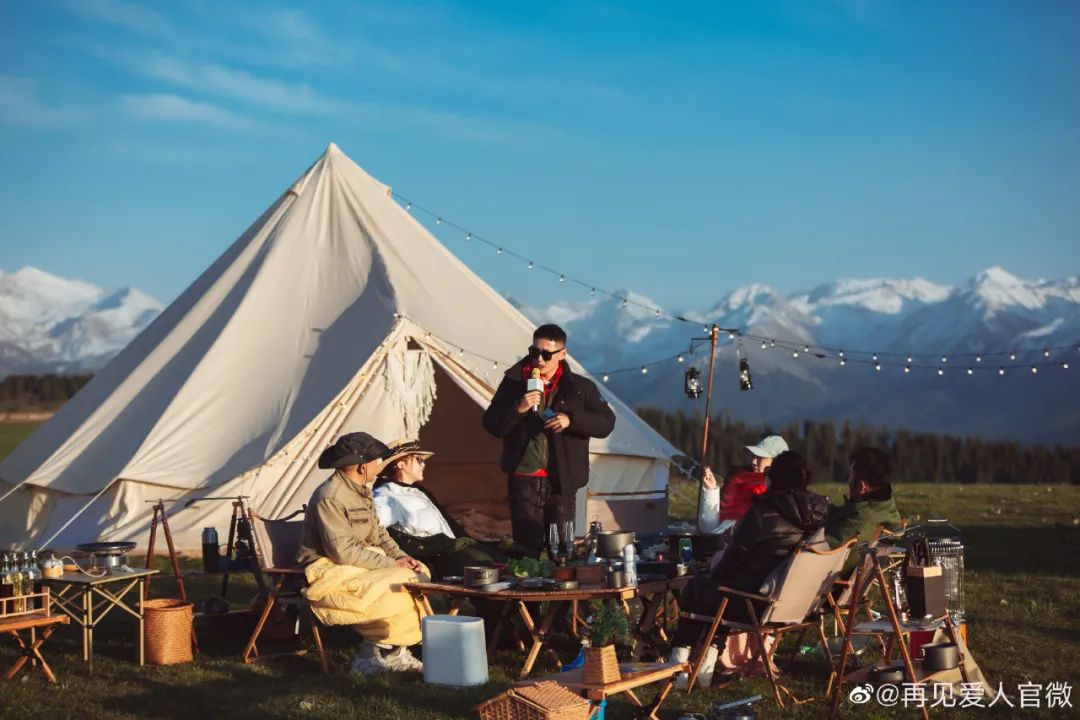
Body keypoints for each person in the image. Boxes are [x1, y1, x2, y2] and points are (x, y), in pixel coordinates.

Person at [669, 451, 829, 687]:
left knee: (700, 588)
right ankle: (703, 671)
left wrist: (712, 571)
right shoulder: (819, 514)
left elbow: (730, 562)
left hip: (753, 605)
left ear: (773, 479)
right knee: (719, 595)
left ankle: (677, 670)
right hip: (794, 605)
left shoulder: (762, 514)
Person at [296, 432, 428, 675]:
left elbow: (380, 535)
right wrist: (390, 564)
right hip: (329, 567)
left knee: (418, 573)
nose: (379, 466)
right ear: (361, 466)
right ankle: (369, 655)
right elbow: (342, 551)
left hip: (360, 558)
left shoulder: (361, 490)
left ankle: (396, 651)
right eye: (375, 461)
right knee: (396, 583)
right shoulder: (331, 496)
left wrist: (402, 558)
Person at [482, 324, 616, 555]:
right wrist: (519, 408)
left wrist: (571, 420)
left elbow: (606, 422)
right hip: (524, 477)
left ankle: (560, 588)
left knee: (562, 548)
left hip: (562, 478)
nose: (540, 360)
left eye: (546, 354)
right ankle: (528, 587)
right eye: (535, 352)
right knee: (526, 548)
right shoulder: (514, 383)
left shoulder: (580, 388)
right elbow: (492, 424)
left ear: (562, 354)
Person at [373, 438, 519, 577]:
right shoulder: (387, 496)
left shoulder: (417, 491)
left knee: (512, 558)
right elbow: (375, 529)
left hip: (455, 549)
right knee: (489, 567)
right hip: (439, 558)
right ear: (400, 464)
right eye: (418, 460)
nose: (423, 465)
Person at [826, 446, 903, 573]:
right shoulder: (887, 512)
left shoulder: (860, 523)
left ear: (862, 487)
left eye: (850, 477)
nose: (848, 483)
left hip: (828, 585)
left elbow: (824, 553)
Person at [698, 435, 789, 534]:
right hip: (722, 540)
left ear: (777, 461)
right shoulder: (736, 481)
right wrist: (711, 490)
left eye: (761, 458)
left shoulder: (782, 493)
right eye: (754, 456)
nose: (754, 462)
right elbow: (707, 528)